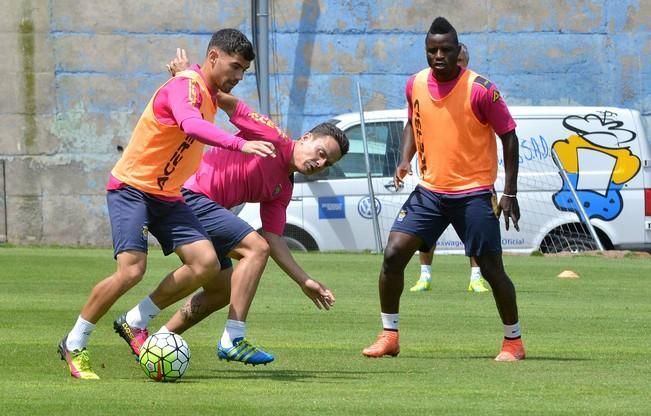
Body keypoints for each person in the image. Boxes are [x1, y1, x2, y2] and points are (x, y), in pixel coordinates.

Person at [58, 29, 276, 380]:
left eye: (244, 72)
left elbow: (195, 98)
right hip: (131, 188)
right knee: (131, 271)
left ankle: (135, 321)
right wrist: (239, 146)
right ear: (214, 57)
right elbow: (189, 122)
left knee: (206, 264)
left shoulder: (204, 90)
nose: (238, 77)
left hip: (168, 195)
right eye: (234, 67)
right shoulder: (184, 87)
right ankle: (75, 341)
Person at [112, 50, 350, 366]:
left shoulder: (283, 188)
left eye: (326, 162)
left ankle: (156, 342)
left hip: (202, 208)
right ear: (305, 138)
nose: (319, 162)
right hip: (190, 195)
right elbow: (228, 102)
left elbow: (276, 239)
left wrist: (304, 280)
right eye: (320, 152)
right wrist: (188, 80)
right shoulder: (273, 136)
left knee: (223, 290)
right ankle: (232, 338)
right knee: (255, 248)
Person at [362, 17, 525, 362]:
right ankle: (389, 335)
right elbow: (414, 120)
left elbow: (509, 135)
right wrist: (405, 158)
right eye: (432, 50)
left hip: (474, 192)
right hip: (431, 191)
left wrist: (509, 192)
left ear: (457, 51)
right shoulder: (415, 84)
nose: (438, 55)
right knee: (392, 255)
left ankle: (513, 342)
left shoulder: (481, 89)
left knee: (492, 269)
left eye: (445, 50)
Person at [409, 42, 489, 294]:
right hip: (434, 179)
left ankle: (476, 277)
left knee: (476, 236)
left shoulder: (475, 89)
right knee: (424, 235)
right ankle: (425, 276)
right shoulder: (422, 86)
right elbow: (413, 124)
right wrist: (405, 161)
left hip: (471, 182)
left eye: (461, 64)